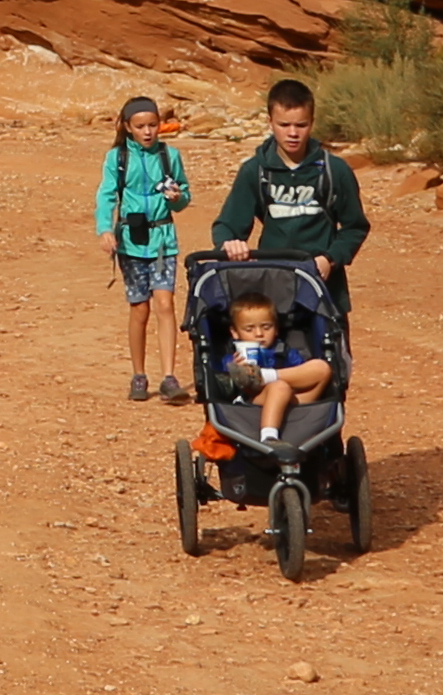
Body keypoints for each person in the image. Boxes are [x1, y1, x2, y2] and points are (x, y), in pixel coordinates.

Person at [210, 76, 373, 318]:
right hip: (273, 288)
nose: (293, 133)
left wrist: (330, 259)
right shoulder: (255, 171)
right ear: (270, 122)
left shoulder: (334, 170)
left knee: (329, 356)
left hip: (325, 290)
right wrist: (229, 244)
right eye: (284, 125)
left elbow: (355, 227)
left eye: (301, 125)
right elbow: (227, 225)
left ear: (312, 122)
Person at [94, 94, 192, 400]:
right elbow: (106, 196)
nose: (148, 132)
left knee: (165, 304)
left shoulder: (170, 156)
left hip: (164, 242)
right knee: (140, 309)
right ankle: (139, 375)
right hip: (132, 242)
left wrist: (178, 198)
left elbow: (184, 196)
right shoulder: (117, 158)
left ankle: (169, 377)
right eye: (141, 126)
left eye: (153, 125)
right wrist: (105, 230)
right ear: (128, 127)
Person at [216, 280, 331, 438]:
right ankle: (269, 436)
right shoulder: (234, 358)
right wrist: (235, 369)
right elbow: (223, 387)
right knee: (279, 387)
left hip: (297, 401)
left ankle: (263, 376)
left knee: (322, 368)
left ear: (276, 329)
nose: (259, 334)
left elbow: (303, 375)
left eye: (266, 327)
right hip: (253, 401)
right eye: (249, 329)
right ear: (235, 333)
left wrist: (270, 377)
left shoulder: (285, 352)